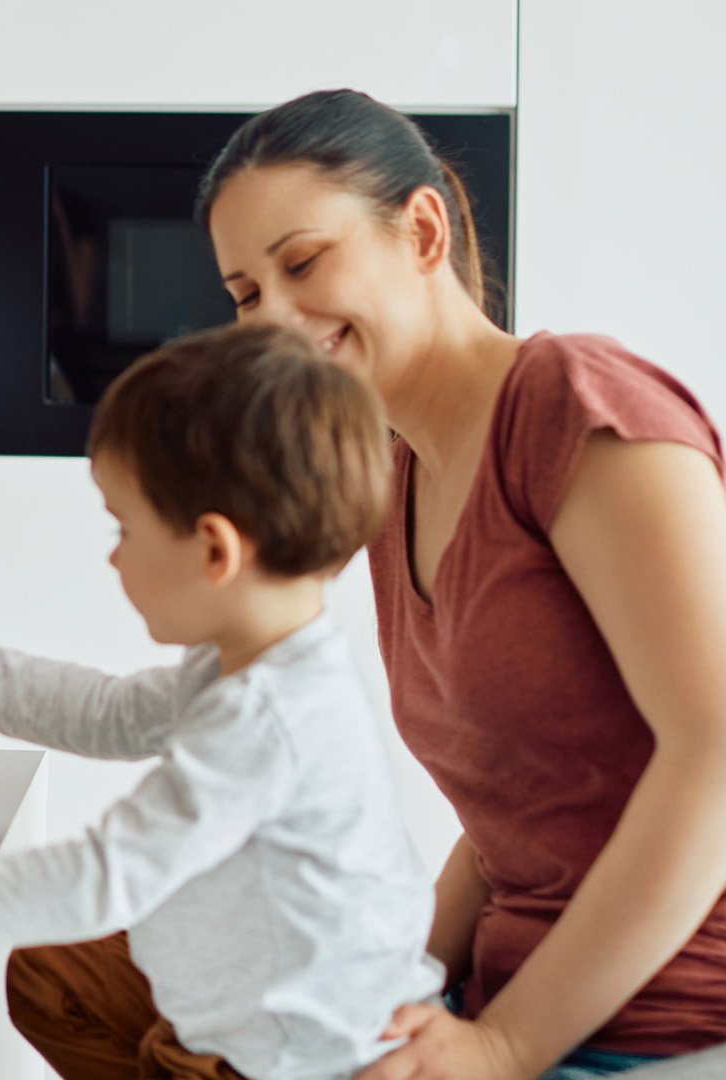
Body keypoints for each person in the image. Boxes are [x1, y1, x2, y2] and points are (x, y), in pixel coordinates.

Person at [194, 90, 726, 1079]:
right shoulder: (401, 480)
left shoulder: (574, 406)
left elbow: (718, 755)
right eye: (244, 294)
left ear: (423, 229)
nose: (272, 317)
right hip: (505, 1004)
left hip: (668, 1028)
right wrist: (391, 991)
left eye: (303, 263)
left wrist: (506, 1047)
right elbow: (509, 828)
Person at [0, 322, 443, 1080]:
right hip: (246, 999)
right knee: (50, 979)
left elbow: (99, 879)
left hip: (298, 1061)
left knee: (71, 949)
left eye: (124, 528)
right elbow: (113, 714)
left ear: (215, 551)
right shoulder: (257, 659)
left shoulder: (267, 718)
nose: (113, 554)